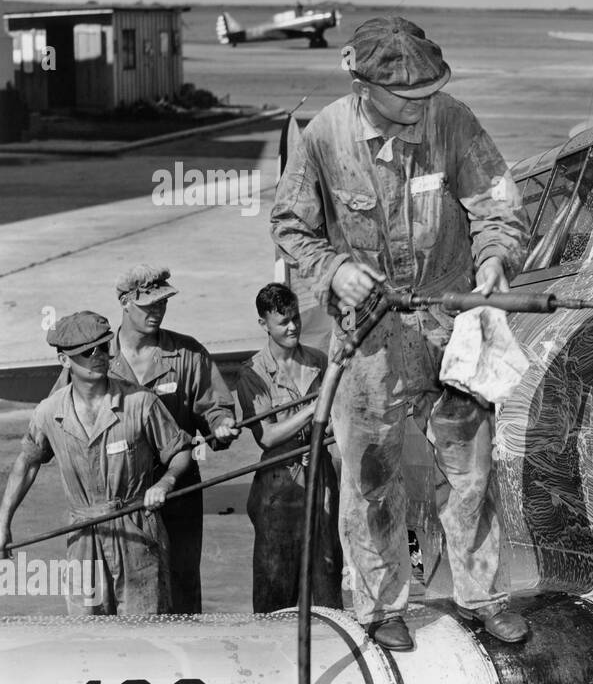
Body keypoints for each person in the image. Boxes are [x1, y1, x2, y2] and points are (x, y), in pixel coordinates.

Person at [270, 15, 528, 651]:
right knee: (371, 476)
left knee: (469, 473)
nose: (420, 106)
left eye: (427, 92)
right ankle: (382, 608)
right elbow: (289, 225)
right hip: (370, 341)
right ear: (363, 86)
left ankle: (482, 597)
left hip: (450, 325)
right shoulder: (325, 137)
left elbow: (497, 202)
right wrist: (334, 270)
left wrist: (493, 256)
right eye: (405, 96)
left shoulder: (453, 120)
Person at [0, 311, 192, 616]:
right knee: (86, 638)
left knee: (146, 634)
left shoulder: (140, 402)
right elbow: (28, 463)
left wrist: (164, 483)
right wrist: (4, 521)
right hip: (83, 536)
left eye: (104, 348)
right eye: (87, 353)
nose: (99, 356)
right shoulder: (49, 413)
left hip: (137, 528)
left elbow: (180, 451)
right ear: (64, 361)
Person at [107, 264, 240, 614]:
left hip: (177, 489)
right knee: (123, 586)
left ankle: (185, 660)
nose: (158, 311)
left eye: (163, 302)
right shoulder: (96, 358)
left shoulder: (187, 354)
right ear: (124, 303)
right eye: (148, 304)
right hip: (118, 496)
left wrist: (221, 424)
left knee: (180, 585)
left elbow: (214, 408)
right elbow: (60, 413)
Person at [236, 283, 344, 613]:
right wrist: (313, 409)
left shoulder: (318, 361)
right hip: (279, 486)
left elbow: (336, 418)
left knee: (326, 572)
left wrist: (327, 424)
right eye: (282, 321)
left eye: (295, 318)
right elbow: (266, 436)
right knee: (275, 583)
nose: (292, 327)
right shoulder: (253, 373)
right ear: (263, 324)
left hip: (320, 476)